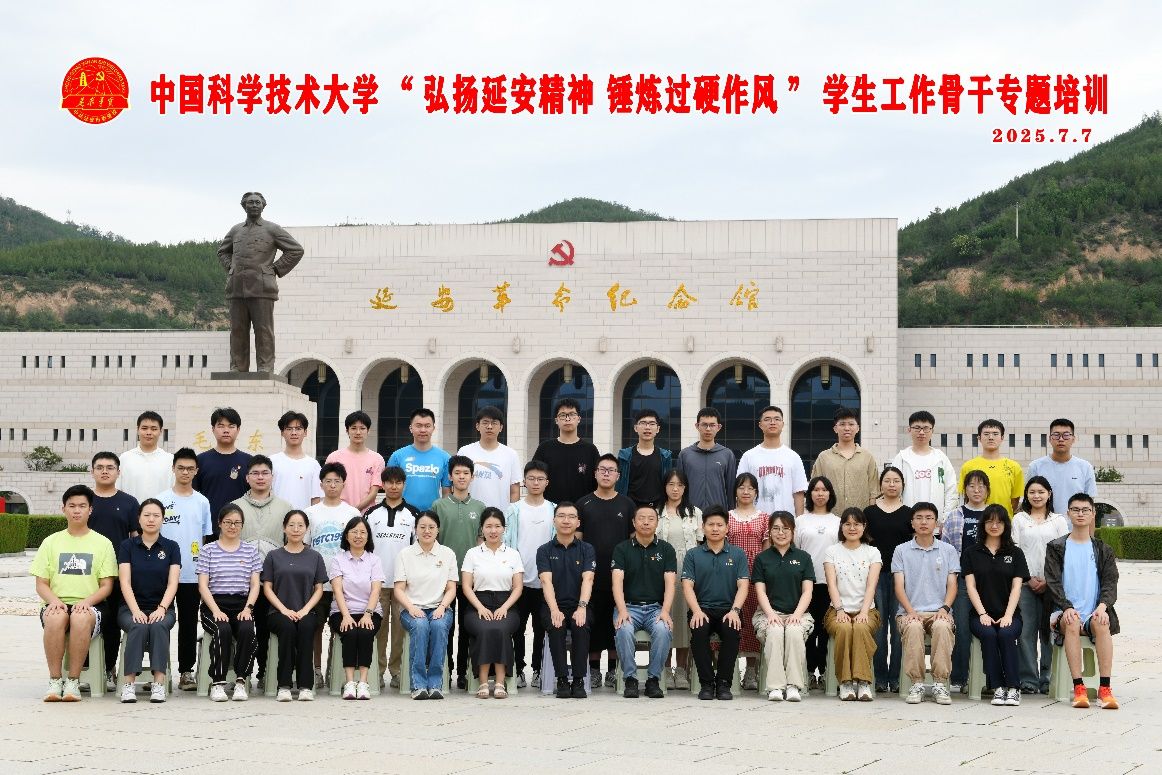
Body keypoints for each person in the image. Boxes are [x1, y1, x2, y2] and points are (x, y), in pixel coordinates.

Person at [32, 485, 117, 702]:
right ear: (63, 509)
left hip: (92, 605)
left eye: (82, 506)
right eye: (72, 506)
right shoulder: (50, 542)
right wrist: (54, 601)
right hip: (56, 602)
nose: (76, 510)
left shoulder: (103, 543)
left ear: (90, 510)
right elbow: (41, 584)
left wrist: (86, 602)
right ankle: (55, 680)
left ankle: (73, 681)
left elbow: (106, 586)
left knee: (79, 617)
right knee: (55, 616)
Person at [1045, 493, 1120, 710]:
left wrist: (1103, 607)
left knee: (1102, 623)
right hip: (1063, 612)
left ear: (1093, 514)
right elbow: (1053, 582)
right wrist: (1066, 607)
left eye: (1085, 510)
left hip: (1094, 611)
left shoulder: (1103, 549)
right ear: (1068, 513)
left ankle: (1105, 689)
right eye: (1075, 509)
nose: (1080, 514)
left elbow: (1111, 582)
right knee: (1071, 621)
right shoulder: (1057, 547)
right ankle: (1079, 688)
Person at [217, 190, 305, 373]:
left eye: (257, 202)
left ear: (263, 206)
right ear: (244, 206)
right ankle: (237, 367)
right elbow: (222, 252)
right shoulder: (235, 230)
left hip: (262, 287)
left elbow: (296, 250)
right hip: (236, 287)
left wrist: (275, 269)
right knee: (237, 330)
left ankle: (265, 367)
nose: (254, 205)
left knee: (263, 330)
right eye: (250, 202)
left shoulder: (272, 229)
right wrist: (231, 268)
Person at [576, 453, 636, 689]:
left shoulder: (627, 504)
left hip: (619, 577)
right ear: (595, 473)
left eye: (611, 470)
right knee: (594, 622)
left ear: (618, 476)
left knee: (615, 622)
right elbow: (578, 541)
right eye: (602, 469)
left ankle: (612, 669)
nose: (606, 474)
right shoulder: (583, 503)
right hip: (591, 576)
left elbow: (632, 541)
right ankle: (593, 670)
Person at [893, 502, 960, 705]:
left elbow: (952, 585)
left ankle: (940, 683)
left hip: (939, 611)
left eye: (929, 518)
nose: (924, 522)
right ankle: (917, 683)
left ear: (936, 523)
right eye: (919, 518)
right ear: (912, 523)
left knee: (942, 627)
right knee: (913, 627)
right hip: (909, 612)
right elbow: (898, 586)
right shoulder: (901, 550)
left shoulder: (948, 550)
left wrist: (945, 608)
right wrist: (910, 611)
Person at [158, 447, 214, 691]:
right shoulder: (161, 500)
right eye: (181, 467)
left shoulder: (202, 502)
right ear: (173, 469)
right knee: (159, 621)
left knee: (189, 623)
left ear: (196, 471)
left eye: (190, 468)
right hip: (162, 573)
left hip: (192, 573)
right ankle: (158, 670)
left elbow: (205, 538)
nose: (185, 472)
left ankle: (186, 671)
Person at [963, 504, 1030, 706]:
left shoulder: (1015, 553)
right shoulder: (971, 552)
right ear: (983, 524)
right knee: (989, 634)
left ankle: (1014, 688)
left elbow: (1016, 588)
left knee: (1006, 634)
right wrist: (982, 614)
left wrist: (1008, 615)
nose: (994, 526)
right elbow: (970, 586)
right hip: (980, 614)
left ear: (1006, 525)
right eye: (990, 521)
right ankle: (998, 687)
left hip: (1010, 614)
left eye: (999, 522)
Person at [682, 505, 749, 700]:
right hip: (702, 608)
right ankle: (707, 683)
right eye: (710, 524)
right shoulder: (693, 554)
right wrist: (696, 610)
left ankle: (723, 683)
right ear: (703, 527)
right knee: (699, 630)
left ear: (727, 528)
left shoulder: (737, 554)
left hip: (729, 609)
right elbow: (687, 586)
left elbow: (743, 585)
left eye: (720, 525)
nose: (715, 528)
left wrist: (735, 610)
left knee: (731, 631)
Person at [116, 498, 180, 703]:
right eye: (147, 515)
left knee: (159, 625)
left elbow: (173, 583)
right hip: (130, 608)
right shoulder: (127, 546)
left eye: (156, 515)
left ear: (163, 519)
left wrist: (162, 608)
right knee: (138, 626)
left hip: (163, 608)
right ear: (139, 518)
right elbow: (125, 582)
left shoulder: (171, 547)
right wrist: (135, 611)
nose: (151, 519)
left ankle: (158, 684)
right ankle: (128, 684)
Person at [196, 504, 262, 702]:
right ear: (219, 523)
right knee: (222, 630)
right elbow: (203, 586)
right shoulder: (208, 550)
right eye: (228, 522)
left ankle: (241, 681)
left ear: (242, 525)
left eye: (237, 523)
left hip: (241, 604)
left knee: (247, 630)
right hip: (213, 604)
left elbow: (255, 584)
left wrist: (248, 608)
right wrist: (216, 610)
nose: (232, 526)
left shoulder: (250, 551)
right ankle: (218, 683)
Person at [611, 504, 677, 699]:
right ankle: (630, 679)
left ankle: (653, 679)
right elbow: (617, 583)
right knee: (624, 630)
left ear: (657, 523)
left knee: (663, 630)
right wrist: (622, 611)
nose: (646, 522)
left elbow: (670, 584)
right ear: (633, 522)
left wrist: (665, 611)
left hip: (656, 608)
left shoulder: (666, 549)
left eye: (651, 519)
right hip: (628, 607)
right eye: (641, 518)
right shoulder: (622, 549)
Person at [305, 462, 362, 689]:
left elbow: (358, 547)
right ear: (321, 484)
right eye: (327, 481)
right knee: (315, 628)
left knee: (343, 627)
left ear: (343, 484)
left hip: (345, 583)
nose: (332, 485)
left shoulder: (352, 513)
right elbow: (305, 547)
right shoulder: (310, 513)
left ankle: (336, 671)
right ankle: (316, 669)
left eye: (336, 481)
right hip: (318, 583)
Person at [1011, 476, 1069, 694]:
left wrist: (1048, 580)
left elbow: (1064, 553)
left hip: (1051, 585)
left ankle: (1047, 678)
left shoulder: (1058, 520)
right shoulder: (1019, 519)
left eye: (1041, 492)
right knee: (1025, 631)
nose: (1036, 496)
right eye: (1032, 492)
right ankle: (1028, 679)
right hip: (1025, 583)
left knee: (1048, 632)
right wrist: (1027, 578)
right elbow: (1014, 550)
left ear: (1049, 494)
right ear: (1026, 495)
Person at [262, 509, 328, 701]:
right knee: (288, 629)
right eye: (291, 525)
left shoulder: (315, 556)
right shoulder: (273, 556)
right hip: (278, 612)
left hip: (306, 611)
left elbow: (319, 589)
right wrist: (284, 610)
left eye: (300, 525)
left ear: (307, 529)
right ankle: (284, 685)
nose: (296, 529)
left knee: (306, 628)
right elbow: (267, 588)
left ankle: (305, 686)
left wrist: (305, 610)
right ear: (284, 528)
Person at [88, 451, 139, 690]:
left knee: (112, 624)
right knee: (86, 620)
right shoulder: (84, 500)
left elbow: (136, 538)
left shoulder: (129, 502)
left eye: (110, 467)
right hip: (87, 574)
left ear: (119, 472)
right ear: (92, 471)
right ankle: (86, 670)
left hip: (118, 573)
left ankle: (109, 668)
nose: (105, 471)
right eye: (100, 467)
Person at [394, 510, 458, 700]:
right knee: (420, 626)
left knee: (438, 626)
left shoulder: (447, 553)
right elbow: (399, 589)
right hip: (411, 608)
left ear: (438, 530)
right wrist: (412, 608)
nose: (427, 531)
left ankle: (435, 684)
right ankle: (418, 685)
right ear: (415, 529)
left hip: (440, 607)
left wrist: (442, 607)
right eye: (422, 527)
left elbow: (451, 588)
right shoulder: (405, 554)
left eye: (431, 527)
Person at [365, 465, 419, 689]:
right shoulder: (371, 514)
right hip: (376, 583)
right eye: (389, 482)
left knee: (399, 629)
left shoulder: (414, 514)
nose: (394, 486)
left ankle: (396, 671)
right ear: (383, 485)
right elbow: (365, 547)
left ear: (404, 485)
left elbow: (417, 548)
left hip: (402, 584)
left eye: (398, 482)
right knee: (377, 629)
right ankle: (376, 671)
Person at [752, 512, 815, 702]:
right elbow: (760, 591)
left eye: (786, 528)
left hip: (798, 614)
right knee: (775, 632)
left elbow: (807, 591)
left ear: (793, 531)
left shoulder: (803, 557)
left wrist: (797, 614)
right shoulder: (762, 558)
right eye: (776, 528)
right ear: (770, 532)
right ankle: (775, 687)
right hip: (768, 613)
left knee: (795, 632)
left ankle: (794, 686)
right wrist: (771, 614)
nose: (781, 533)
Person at [433, 455, 484, 689]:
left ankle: (463, 671)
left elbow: (482, 541)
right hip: (444, 578)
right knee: (445, 625)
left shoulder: (480, 507)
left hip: (470, 579)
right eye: (457, 473)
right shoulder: (439, 506)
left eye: (466, 473)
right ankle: (446, 669)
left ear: (472, 477)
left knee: (467, 625)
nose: (461, 477)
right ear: (450, 477)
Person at [504, 460, 556, 689]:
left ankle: (537, 670)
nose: (536, 482)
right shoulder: (513, 509)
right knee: (516, 628)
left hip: (545, 581)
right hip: (518, 581)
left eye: (540, 479)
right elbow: (507, 543)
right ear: (524, 482)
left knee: (541, 629)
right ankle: (517, 669)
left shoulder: (553, 510)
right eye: (531, 478)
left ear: (547, 482)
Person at [462, 508, 524, 698]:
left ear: (504, 528)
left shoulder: (513, 554)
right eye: (488, 526)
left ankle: (499, 682)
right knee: (485, 629)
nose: (493, 530)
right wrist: (480, 607)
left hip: (507, 605)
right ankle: (482, 682)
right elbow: (466, 586)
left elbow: (518, 587)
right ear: (482, 528)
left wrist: (504, 607)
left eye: (497, 526)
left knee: (500, 628)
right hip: (477, 604)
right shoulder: (472, 553)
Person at [538, 502, 597, 699]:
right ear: (554, 521)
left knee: (581, 625)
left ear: (578, 522)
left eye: (571, 517)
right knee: (556, 626)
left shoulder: (587, 549)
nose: (566, 520)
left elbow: (588, 579)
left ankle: (579, 679)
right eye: (561, 516)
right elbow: (546, 581)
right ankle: (562, 678)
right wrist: (554, 610)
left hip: (580, 604)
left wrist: (582, 607)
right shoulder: (544, 550)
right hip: (553, 604)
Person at [824, 507, 882, 701]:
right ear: (841, 527)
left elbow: (871, 586)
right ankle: (846, 682)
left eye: (856, 524)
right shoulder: (832, 551)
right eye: (847, 524)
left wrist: (864, 611)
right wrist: (840, 609)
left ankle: (863, 682)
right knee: (844, 628)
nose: (852, 528)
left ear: (864, 527)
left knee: (860, 627)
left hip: (867, 610)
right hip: (837, 609)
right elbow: (832, 584)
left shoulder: (872, 552)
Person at [864, 466, 913, 693]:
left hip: (902, 576)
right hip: (876, 576)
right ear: (880, 484)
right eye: (887, 480)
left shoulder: (909, 513)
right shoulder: (869, 512)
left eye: (896, 481)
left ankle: (896, 677)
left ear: (902, 485)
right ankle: (880, 677)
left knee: (899, 625)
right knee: (879, 626)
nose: (892, 485)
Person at [942, 468, 990, 693]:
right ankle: (959, 678)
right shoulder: (955, 516)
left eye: (981, 486)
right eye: (972, 486)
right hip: (961, 580)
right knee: (961, 628)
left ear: (987, 490)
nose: (976, 490)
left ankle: (988, 678)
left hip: (989, 582)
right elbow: (946, 550)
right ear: (965, 490)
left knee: (988, 626)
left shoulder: (994, 514)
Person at [329, 516, 384, 700]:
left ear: (368, 537)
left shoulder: (374, 560)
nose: (358, 536)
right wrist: (346, 615)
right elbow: (337, 590)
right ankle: (350, 682)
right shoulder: (338, 560)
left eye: (362, 532)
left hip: (370, 610)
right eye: (354, 532)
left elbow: (376, 590)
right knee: (351, 632)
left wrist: (368, 614)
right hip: (342, 611)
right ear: (346, 536)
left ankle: (363, 682)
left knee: (365, 632)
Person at [657, 469, 703, 690]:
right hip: (662, 571)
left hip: (689, 570)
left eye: (680, 485)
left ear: (685, 488)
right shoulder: (656, 512)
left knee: (685, 619)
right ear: (664, 486)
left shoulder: (695, 513)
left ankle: (682, 668)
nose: (675, 489)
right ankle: (666, 668)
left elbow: (701, 543)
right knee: (666, 617)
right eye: (671, 484)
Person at [794, 476, 840, 690]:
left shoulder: (837, 521)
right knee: (808, 630)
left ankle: (825, 671)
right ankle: (809, 671)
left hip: (830, 584)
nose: (820, 493)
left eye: (824, 489)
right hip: (805, 584)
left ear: (830, 494)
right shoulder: (801, 520)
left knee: (825, 629)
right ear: (809, 494)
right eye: (816, 489)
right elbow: (795, 550)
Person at [727, 472, 768, 690]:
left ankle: (751, 670)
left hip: (755, 574)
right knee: (732, 617)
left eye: (750, 488)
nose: (746, 492)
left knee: (752, 618)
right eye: (741, 487)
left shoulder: (764, 518)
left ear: (756, 492)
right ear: (735, 491)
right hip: (730, 572)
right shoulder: (727, 517)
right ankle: (729, 668)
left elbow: (767, 551)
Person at [737, 405, 807, 517]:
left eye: (777, 419)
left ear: (782, 424)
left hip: (785, 521)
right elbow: (740, 491)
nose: (772, 422)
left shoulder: (793, 457)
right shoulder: (749, 456)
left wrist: (799, 521)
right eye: (767, 419)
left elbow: (798, 493)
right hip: (755, 520)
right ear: (760, 425)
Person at [890, 411, 958, 526]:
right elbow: (893, 491)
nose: (921, 432)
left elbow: (951, 490)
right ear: (909, 430)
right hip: (907, 523)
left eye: (926, 428)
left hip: (936, 525)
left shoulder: (941, 458)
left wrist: (944, 519)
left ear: (932, 431)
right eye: (917, 428)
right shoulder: (901, 458)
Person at [193, 407, 252, 537]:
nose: (226, 430)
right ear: (213, 429)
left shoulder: (249, 461)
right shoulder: (201, 461)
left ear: (238, 430)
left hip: (241, 529)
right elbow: (193, 496)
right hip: (209, 529)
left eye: (231, 426)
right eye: (221, 426)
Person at [809, 408, 878, 514]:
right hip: (830, 517)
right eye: (842, 424)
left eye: (851, 424)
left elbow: (874, 491)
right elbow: (814, 488)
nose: (847, 428)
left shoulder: (867, 457)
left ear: (858, 428)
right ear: (835, 428)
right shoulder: (824, 458)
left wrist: (870, 516)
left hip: (860, 518)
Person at [1027, 419, 1098, 519]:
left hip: (1075, 527)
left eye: (1066, 435)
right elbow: (1029, 500)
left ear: (1073, 439)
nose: (1061, 439)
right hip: (1044, 525)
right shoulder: (1036, 466)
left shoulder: (1085, 467)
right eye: (1056, 435)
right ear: (1050, 439)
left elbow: (1090, 505)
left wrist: (1089, 530)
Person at [533, 397, 599, 505]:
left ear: (579, 419)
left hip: (582, 510)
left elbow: (597, 483)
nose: (567, 419)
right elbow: (535, 478)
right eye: (563, 415)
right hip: (551, 509)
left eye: (572, 414)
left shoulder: (590, 450)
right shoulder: (544, 448)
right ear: (556, 420)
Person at [457, 406, 521, 511]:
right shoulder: (465, 452)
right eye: (485, 422)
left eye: (494, 423)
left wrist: (511, 516)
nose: (489, 427)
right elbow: (457, 486)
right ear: (477, 426)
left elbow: (514, 491)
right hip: (469, 514)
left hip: (500, 516)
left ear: (501, 427)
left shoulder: (511, 454)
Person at [388, 408, 451, 511]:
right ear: (411, 428)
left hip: (432, 515)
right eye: (418, 426)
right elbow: (390, 488)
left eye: (427, 426)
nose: (423, 430)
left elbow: (446, 492)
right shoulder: (397, 456)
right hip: (402, 514)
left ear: (433, 428)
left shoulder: (445, 458)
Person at [676, 407, 737, 513]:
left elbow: (731, 489)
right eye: (704, 425)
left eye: (712, 425)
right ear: (697, 426)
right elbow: (679, 486)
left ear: (718, 427)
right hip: (690, 514)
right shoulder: (685, 455)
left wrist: (731, 514)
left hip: (718, 515)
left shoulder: (727, 455)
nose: (708, 429)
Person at [959, 419, 1024, 516]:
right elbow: (964, 497)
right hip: (975, 520)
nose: (991, 437)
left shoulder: (1014, 467)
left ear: (1002, 438)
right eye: (986, 434)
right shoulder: (968, 466)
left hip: (1003, 521)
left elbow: (1014, 500)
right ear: (979, 438)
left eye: (995, 434)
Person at [325, 411, 386, 512]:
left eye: (362, 428)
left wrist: (355, 510)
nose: (358, 432)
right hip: (338, 512)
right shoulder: (334, 458)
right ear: (347, 431)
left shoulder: (377, 459)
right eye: (353, 428)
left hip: (366, 514)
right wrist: (345, 510)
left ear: (368, 431)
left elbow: (373, 492)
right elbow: (329, 487)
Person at [616, 408, 673, 507]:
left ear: (658, 429)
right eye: (643, 423)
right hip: (630, 507)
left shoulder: (665, 456)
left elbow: (668, 483)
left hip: (657, 508)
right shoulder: (624, 455)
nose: (647, 427)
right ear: (635, 428)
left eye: (652, 424)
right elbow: (619, 484)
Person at [270, 411, 322, 510]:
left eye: (298, 429)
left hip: (304, 518)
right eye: (289, 429)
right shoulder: (272, 461)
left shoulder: (313, 465)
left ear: (305, 432)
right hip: (277, 517)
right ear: (282, 433)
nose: (294, 433)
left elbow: (316, 499)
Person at [118, 410, 174, 502]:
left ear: (161, 431)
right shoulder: (125, 458)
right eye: (144, 428)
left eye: (154, 429)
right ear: (137, 430)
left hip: (161, 510)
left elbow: (175, 491)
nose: (149, 432)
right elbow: (117, 490)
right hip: (131, 510)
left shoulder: (170, 460)